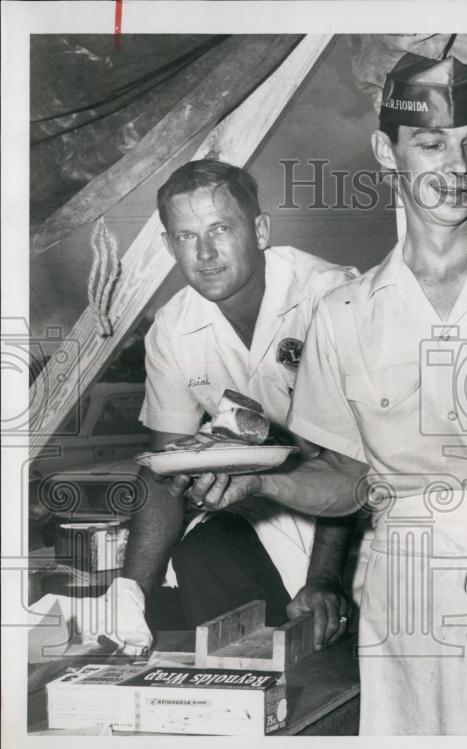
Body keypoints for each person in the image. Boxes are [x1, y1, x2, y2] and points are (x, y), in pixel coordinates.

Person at [184, 53, 467, 735]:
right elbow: (349, 482)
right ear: (385, 152)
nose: (458, 166)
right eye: (431, 143)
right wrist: (255, 483)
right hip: (407, 600)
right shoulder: (345, 313)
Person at [112, 159, 360, 653]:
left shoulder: (334, 297)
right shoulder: (173, 327)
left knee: (337, 646)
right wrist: (128, 596)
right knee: (201, 555)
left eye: (220, 229)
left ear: (261, 230)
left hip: (358, 511)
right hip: (263, 509)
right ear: (168, 246)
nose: (204, 254)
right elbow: (166, 470)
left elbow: (353, 464)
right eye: (185, 237)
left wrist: (324, 577)